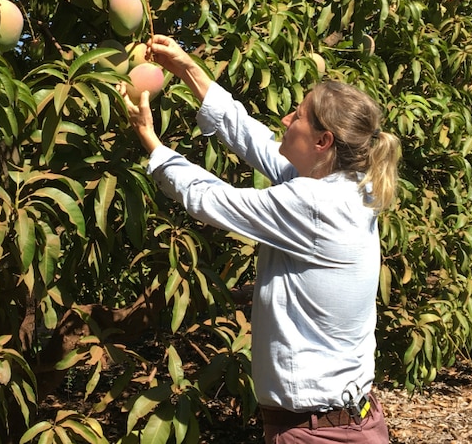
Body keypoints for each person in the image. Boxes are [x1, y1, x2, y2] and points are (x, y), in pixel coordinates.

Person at [120, 34, 400, 444]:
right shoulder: (349, 183)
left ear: (323, 142)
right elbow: (251, 137)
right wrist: (187, 68)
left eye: (298, 116)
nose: (286, 120)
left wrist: (152, 143)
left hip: (317, 434)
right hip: (347, 421)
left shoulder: (316, 203)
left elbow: (212, 200)